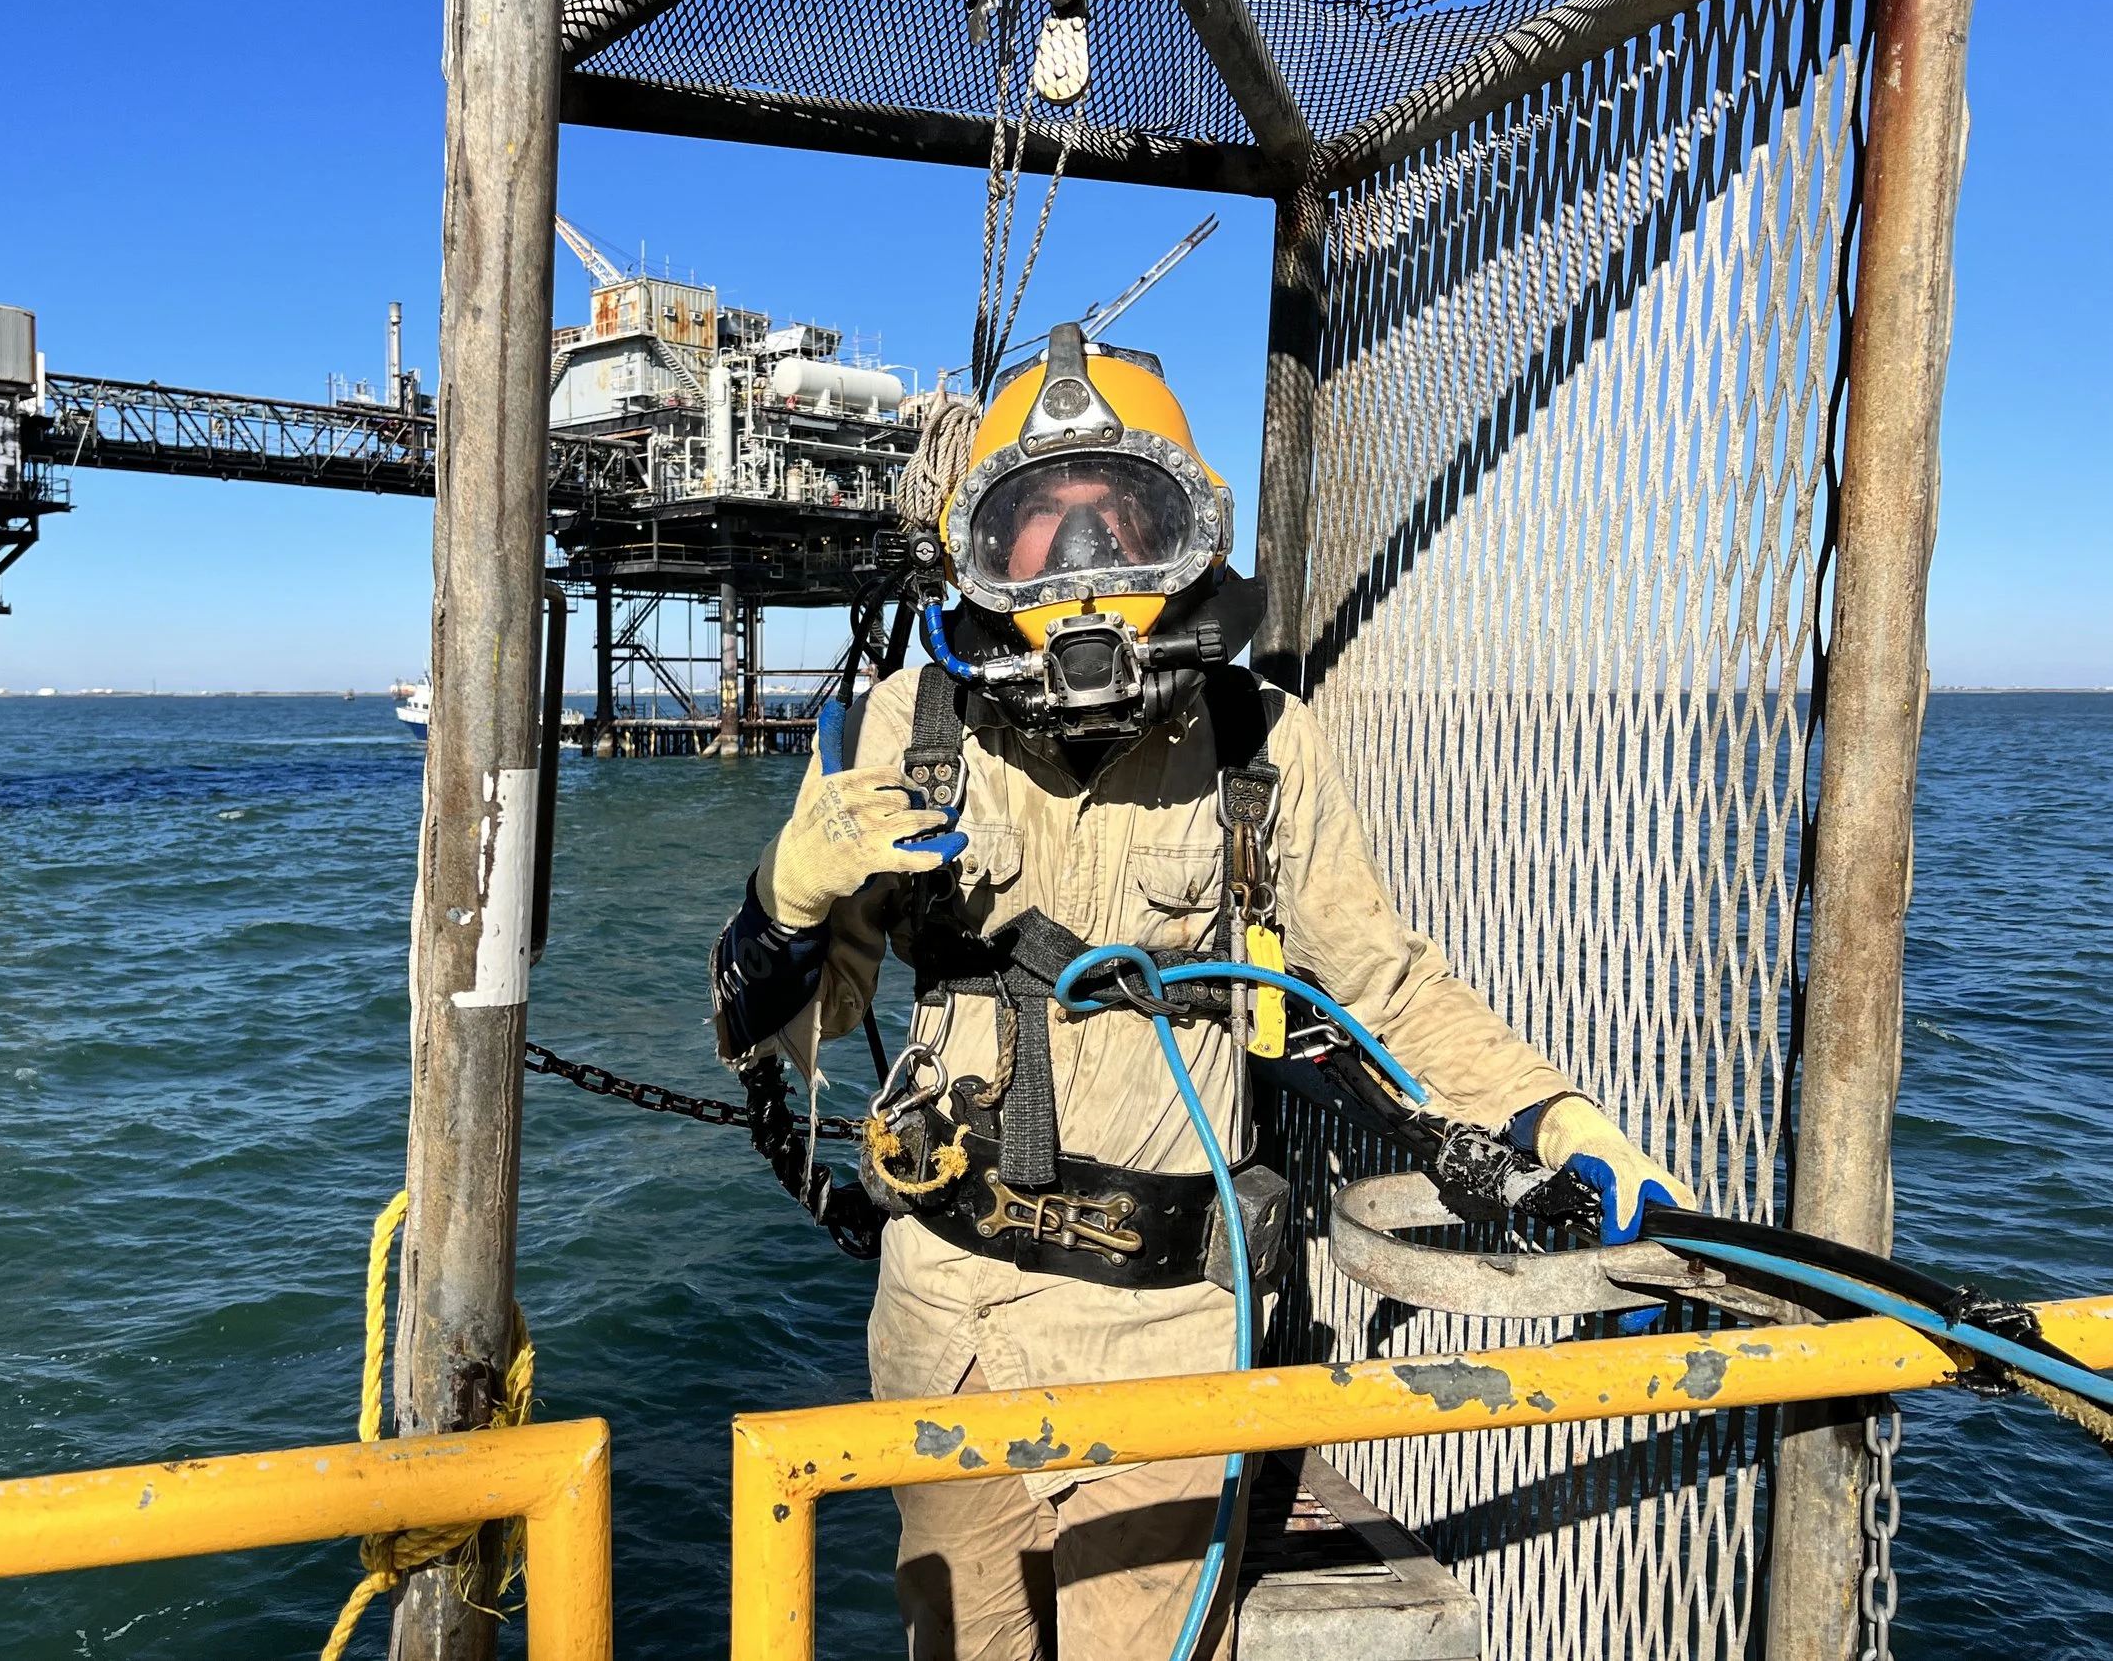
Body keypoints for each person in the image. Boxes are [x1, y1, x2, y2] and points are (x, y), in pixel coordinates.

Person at [710, 325, 1691, 1661]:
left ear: (1185, 536)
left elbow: (1388, 979)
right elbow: (790, 1030)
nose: (1080, 571)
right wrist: (787, 892)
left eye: (1119, 523)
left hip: (1171, 1328)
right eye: (1036, 531)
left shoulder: (1260, 746)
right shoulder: (909, 726)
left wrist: (1557, 1115)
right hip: (951, 1328)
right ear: (978, 553)